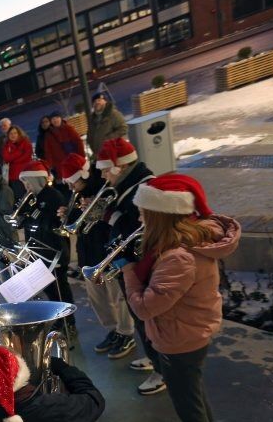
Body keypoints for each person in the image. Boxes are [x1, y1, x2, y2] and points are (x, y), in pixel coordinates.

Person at [122, 174, 241, 422]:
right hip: (184, 332)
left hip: (179, 338)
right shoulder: (178, 246)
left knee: (189, 408)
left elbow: (145, 308)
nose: (139, 217)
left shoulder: (178, 257)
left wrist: (128, 272)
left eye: (144, 211)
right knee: (195, 400)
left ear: (160, 215)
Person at [96, 137, 164, 394]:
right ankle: (154, 358)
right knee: (140, 320)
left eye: (106, 170)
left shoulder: (143, 188)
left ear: (120, 166)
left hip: (140, 266)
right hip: (129, 263)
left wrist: (109, 216)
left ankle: (162, 370)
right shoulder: (127, 185)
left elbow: (140, 228)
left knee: (146, 319)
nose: (103, 175)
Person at [58, 153, 136, 359]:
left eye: (72, 181)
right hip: (88, 254)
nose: (70, 187)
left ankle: (126, 332)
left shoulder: (104, 188)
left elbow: (114, 221)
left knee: (118, 296)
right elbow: (78, 224)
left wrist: (98, 209)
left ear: (82, 176)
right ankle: (113, 330)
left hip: (106, 251)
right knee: (98, 299)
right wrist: (68, 214)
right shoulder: (76, 193)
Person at [18, 160, 75, 314]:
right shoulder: (32, 198)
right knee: (49, 289)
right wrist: (22, 214)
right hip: (38, 250)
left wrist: (34, 215)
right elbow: (24, 223)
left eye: (28, 182)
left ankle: (68, 320)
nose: (26, 186)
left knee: (60, 288)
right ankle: (58, 316)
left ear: (36, 180)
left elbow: (54, 223)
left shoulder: (53, 196)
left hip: (54, 250)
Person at [43, 111, 86, 180]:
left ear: (61, 118)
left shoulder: (68, 128)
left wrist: (82, 157)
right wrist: (51, 166)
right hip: (61, 165)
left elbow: (78, 142)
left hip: (74, 161)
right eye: (53, 119)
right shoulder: (48, 135)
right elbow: (48, 152)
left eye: (57, 117)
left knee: (80, 179)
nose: (55, 120)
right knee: (68, 181)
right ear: (51, 121)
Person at [87, 92, 128, 159]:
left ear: (105, 101)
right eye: (94, 102)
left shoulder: (113, 114)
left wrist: (107, 139)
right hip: (99, 155)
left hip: (113, 153)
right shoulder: (93, 118)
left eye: (99, 100)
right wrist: (89, 141)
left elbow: (123, 129)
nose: (97, 102)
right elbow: (90, 133)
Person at [2, 125, 34, 200]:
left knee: (30, 195)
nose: (13, 135)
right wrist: (19, 152)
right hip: (14, 177)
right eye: (11, 133)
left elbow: (27, 157)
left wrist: (13, 159)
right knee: (19, 197)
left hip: (26, 174)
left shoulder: (25, 143)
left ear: (19, 133)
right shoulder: (7, 146)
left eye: (15, 133)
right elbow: (6, 158)